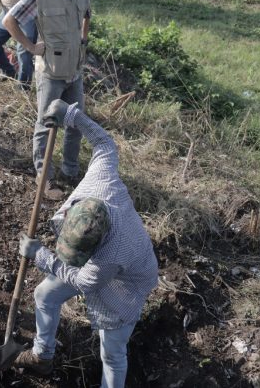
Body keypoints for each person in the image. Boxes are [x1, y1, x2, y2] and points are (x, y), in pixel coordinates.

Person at [15, 98, 159, 386]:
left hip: (128, 282)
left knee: (112, 353)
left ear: (97, 246)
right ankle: (42, 356)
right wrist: (70, 114)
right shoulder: (101, 178)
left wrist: (40, 255)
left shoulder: (113, 252)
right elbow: (104, 142)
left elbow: (84, 281)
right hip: (102, 265)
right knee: (45, 294)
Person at [3, 0, 91, 201]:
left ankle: (70, 171)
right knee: (46, 124)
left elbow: (87, 14)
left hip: (74, 70)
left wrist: (83, 39)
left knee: (76, 122)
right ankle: (45, 178)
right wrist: (31, 47)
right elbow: (10, 20)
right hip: (51, 71)